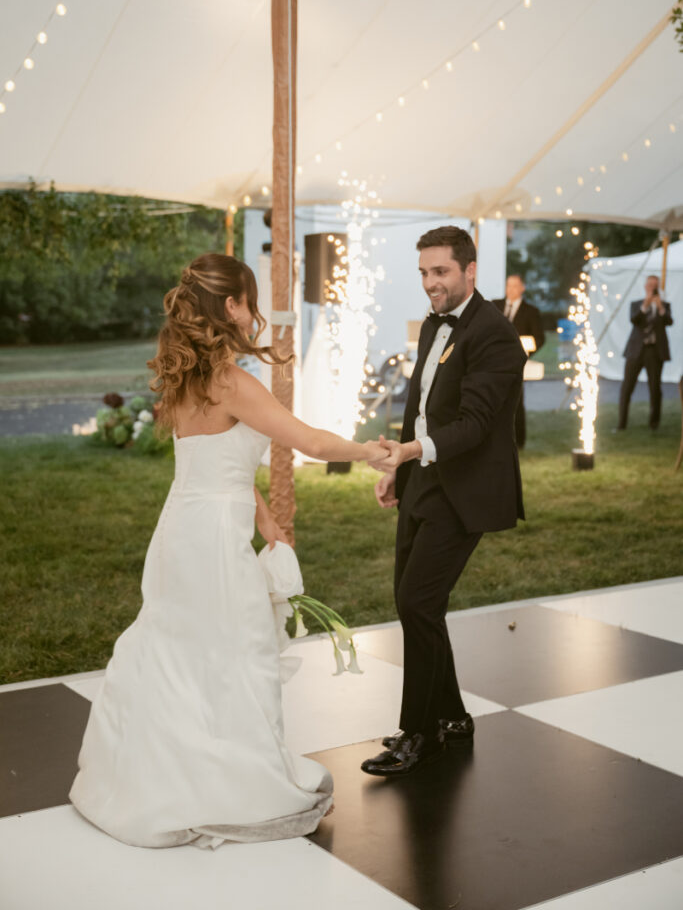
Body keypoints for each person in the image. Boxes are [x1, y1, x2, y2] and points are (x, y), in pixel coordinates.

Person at [70, 253, 390, 848]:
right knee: (231, 653)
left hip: (178, 532)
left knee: (177, 650)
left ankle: (150, 777)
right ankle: (230, 784)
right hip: (213, 540)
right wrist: (370, 451)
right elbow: (308, 440)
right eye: (252, 299)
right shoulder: (232, 382)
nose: (258, 312)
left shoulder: (186, 376)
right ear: (234, 306)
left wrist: (265, 515)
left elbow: (214, 461)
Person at [361, 226, 526, 778]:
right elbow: (423, 407)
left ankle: (419, 733)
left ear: (469, 270)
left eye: (441, 273)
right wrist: (403, 468)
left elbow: (475, 425)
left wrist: (411, 450)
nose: (430, 284)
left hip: (466, 489)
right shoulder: (435, 324)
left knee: (417, 603)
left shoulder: (496, 336)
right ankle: (452, 717)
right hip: (425, 480)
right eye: (424, 273)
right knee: (414, 603)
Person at [492, 274, 545, 449]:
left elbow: (539, 338)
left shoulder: (531, 311)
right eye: (508, 285)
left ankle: (518, 440)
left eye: (515, 286)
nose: (511, 289)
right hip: (493, 362)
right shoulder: (494, 306)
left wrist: (526, 353)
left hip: (516, 363)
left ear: (522, 288)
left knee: (515, 400)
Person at [618, 274, 673, 431]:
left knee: (655, 387)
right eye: (649, 285)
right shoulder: (637, 304)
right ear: (645, 286)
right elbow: (634, 320)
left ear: (658, 287)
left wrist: (660, 307)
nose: (652, 288)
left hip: (655, 351)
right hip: (636, 350)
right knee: (627, 386)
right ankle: (622, 423)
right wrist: (646, 305)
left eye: (654, 286)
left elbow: (669, 321)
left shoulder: (665, 305)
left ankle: (654, 424)